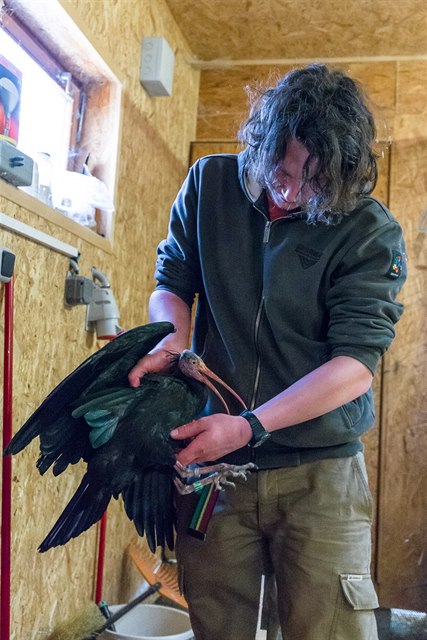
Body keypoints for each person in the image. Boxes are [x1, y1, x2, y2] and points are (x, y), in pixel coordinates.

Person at [128, 64, 406, 640]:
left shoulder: (367, 229)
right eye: (282, 171)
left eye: (315, 181)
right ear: (259, 143)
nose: (292, 192)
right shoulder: (210, 185)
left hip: (319, 470)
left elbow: (354, 366)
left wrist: (250, 427)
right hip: (213, 466)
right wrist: (172, 342)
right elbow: (172, 283)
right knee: (216, 624)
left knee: (328, 630)